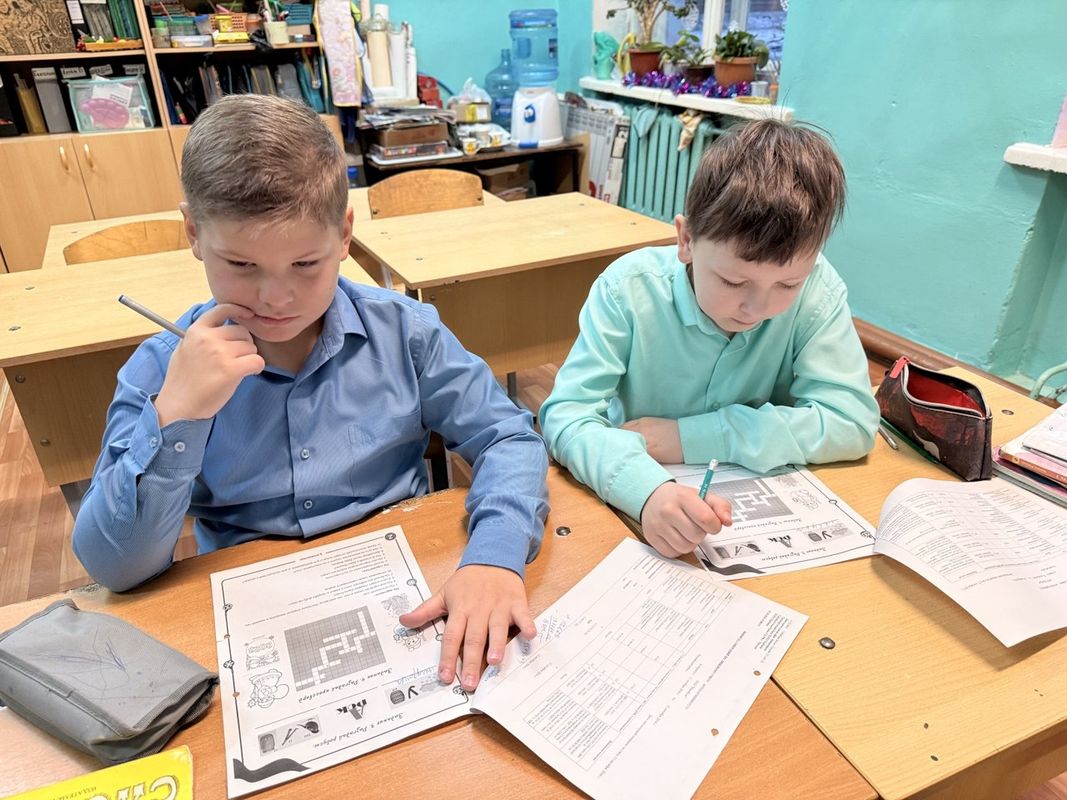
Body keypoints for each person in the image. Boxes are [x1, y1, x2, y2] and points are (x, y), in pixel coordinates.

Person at [72, 95, 549, 692]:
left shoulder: (405, 332)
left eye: (305, 264)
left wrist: (495, 551)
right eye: (241, 265)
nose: (276, 298)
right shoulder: (162, 370)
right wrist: (176, 417)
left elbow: (507, 437)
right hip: (252, 618)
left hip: (407, 586)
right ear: (194, 232)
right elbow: (114, 566)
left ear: (344, 234)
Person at [540, 119, 879, 559]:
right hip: (642, 496)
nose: (757, 309)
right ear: (686, 240)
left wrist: (692, 437)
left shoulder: (818, 289)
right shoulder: (627, 290)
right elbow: (567, 416)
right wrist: (645, 490)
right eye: (733, 282)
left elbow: (852, 423)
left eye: (787, 285)